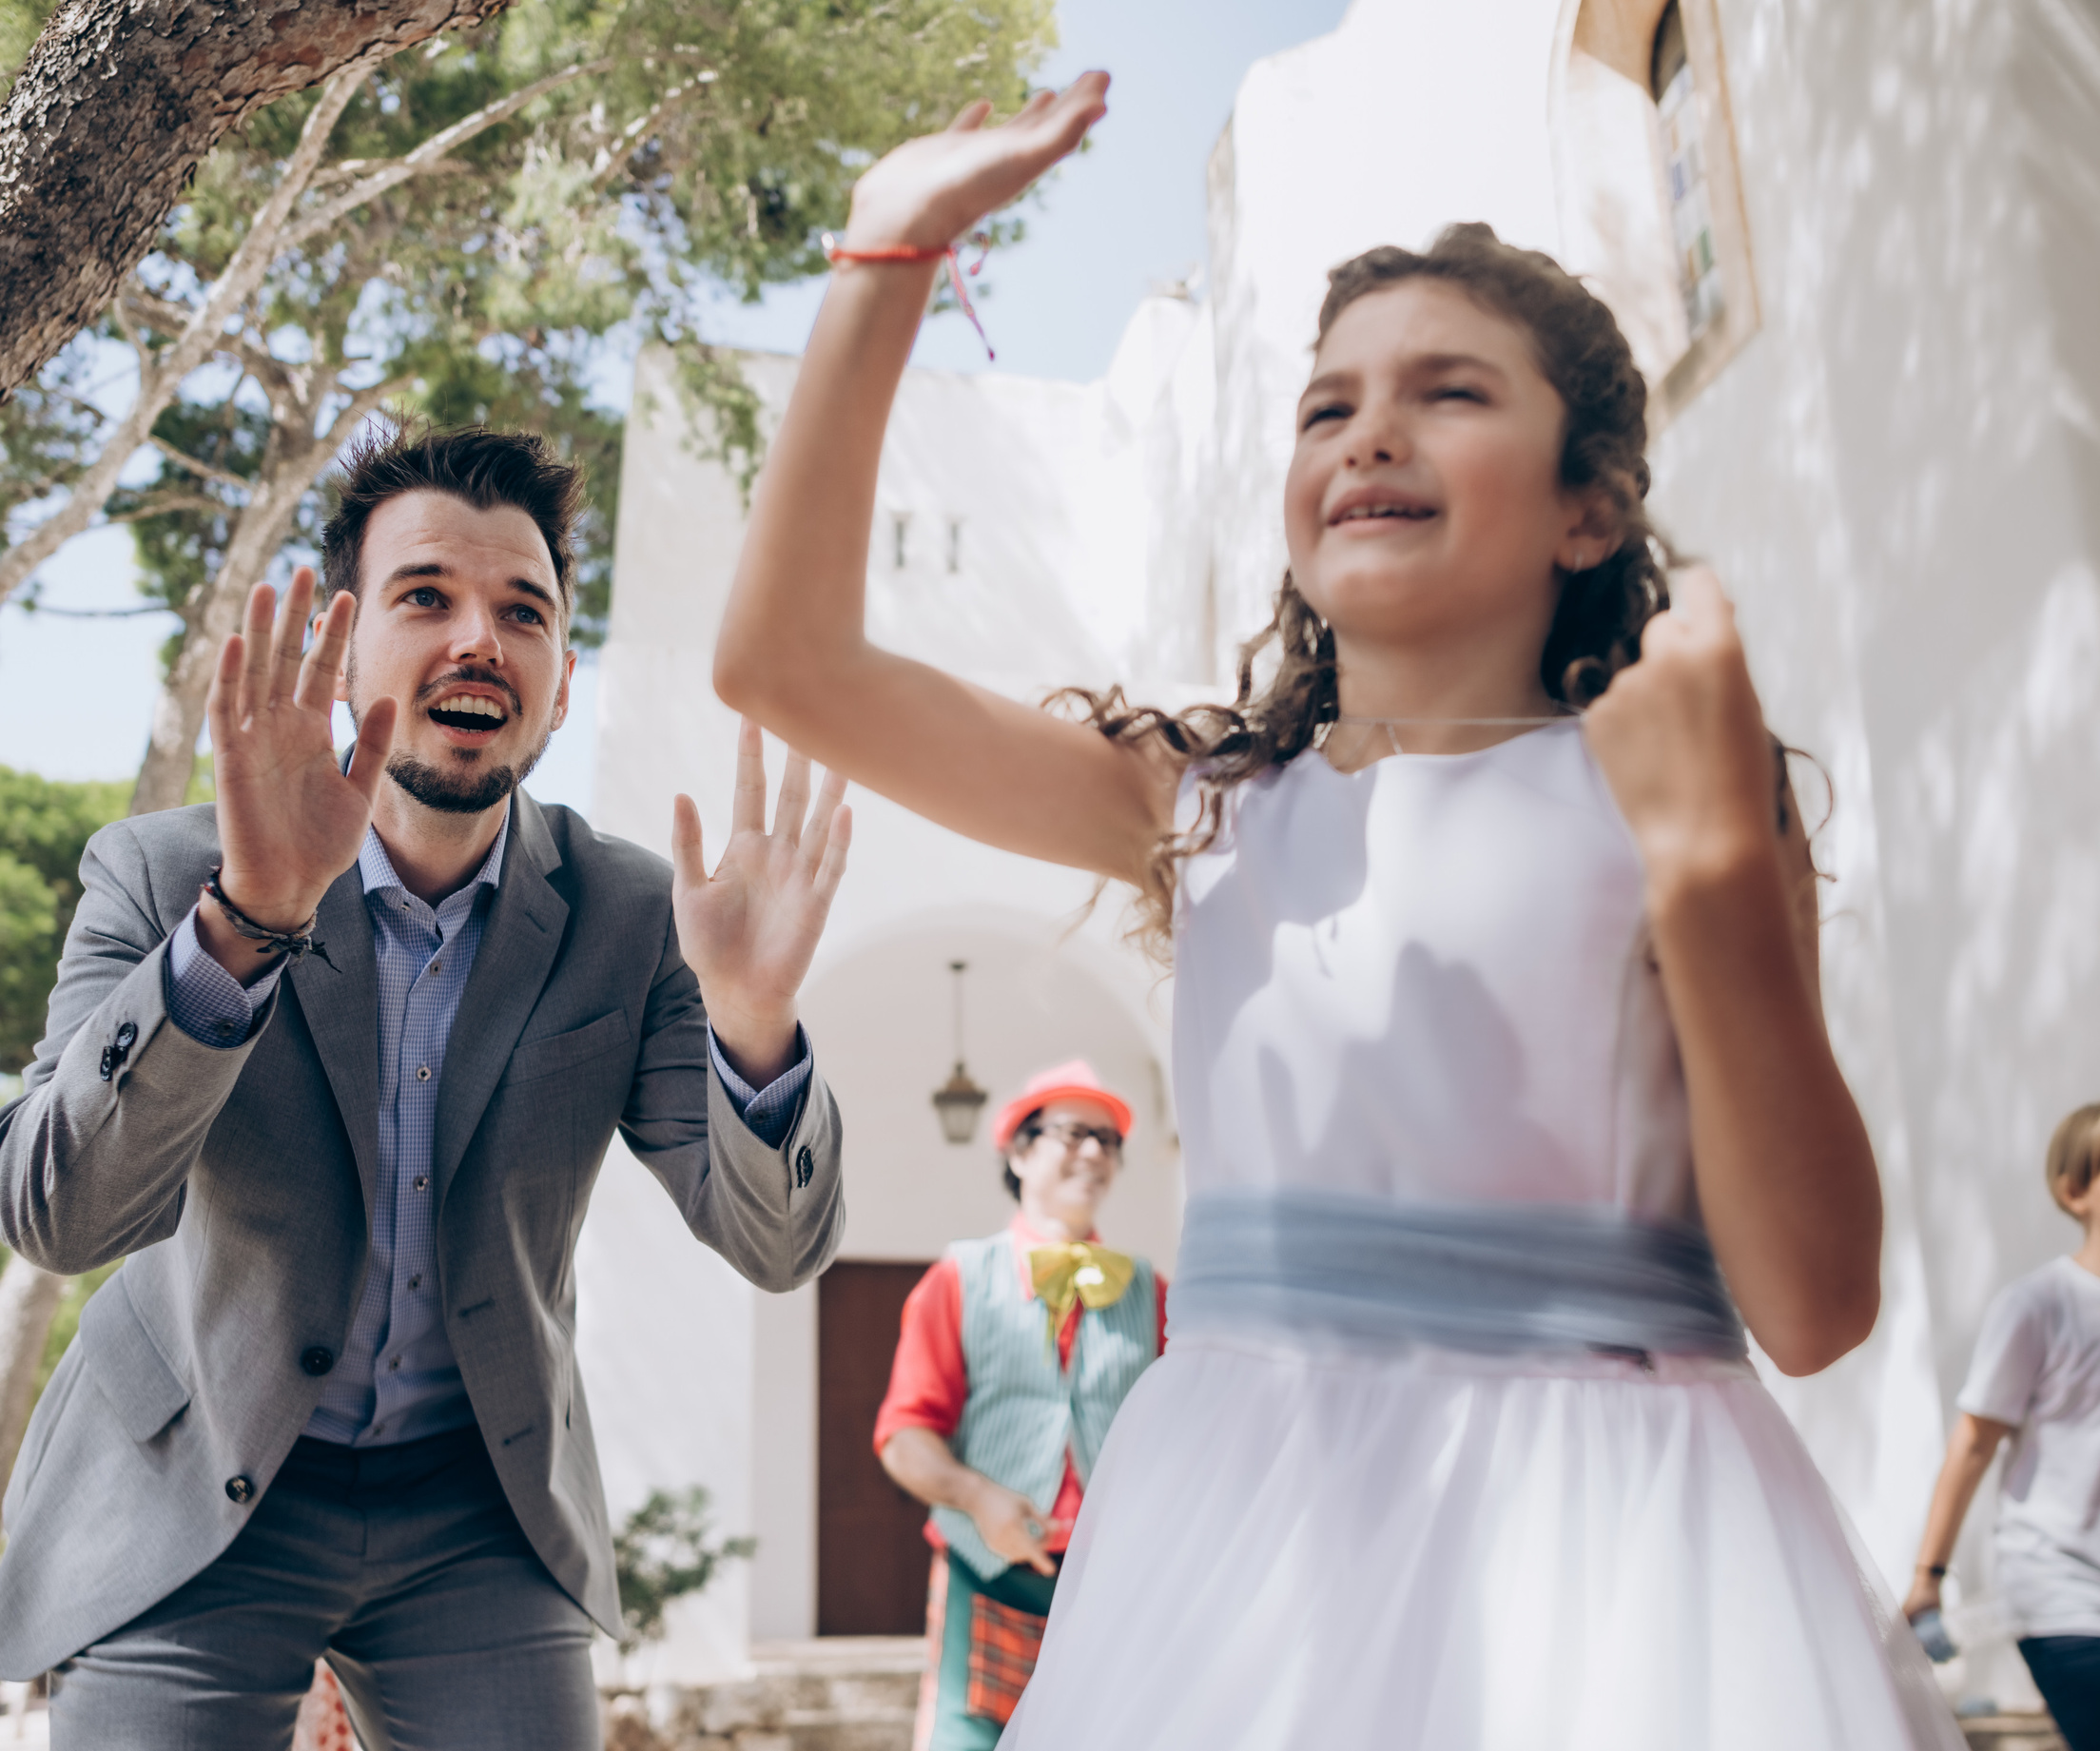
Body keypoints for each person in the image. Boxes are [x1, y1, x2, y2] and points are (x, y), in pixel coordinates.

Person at [710, 74, 1962, 1749]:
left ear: (1591, 508)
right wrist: (890, 248)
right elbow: (785, 666)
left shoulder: (1681, 800)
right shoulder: (1203, 807)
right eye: (1327, 407)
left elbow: (1813, 1307)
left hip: (1615, 1565)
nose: (1372, 432)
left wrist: (1716, 864)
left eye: (1451, 394)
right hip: (1241, 1556)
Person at [0, 425, 854, 1749]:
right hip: (190, 1479)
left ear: (558, 685)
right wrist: (245, 923)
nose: (479, 641)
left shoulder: (633, 919)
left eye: (525, 613)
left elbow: (778, 1245)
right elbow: (56, 1214)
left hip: (477, 1505)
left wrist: (758, 1021)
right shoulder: (162, 873)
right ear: (343, 646)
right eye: (426, 597)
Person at [874, 1061, 1167, 1749]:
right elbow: (905, 1433)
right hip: (989, 1575)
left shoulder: (1151, 1291)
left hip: (1114, 1581)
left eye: (1108, 1139)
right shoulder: (959, 1277)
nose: (1094, 1151)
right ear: (1018, 1150)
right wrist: (978, 1496)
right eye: (1072, 1133)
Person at [1906, 1105, 2100, 1749]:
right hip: (2060, 1591)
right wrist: (1927, 1578)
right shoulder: (2039, 1305)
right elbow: (1973, 1444)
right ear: (2075, 1190)